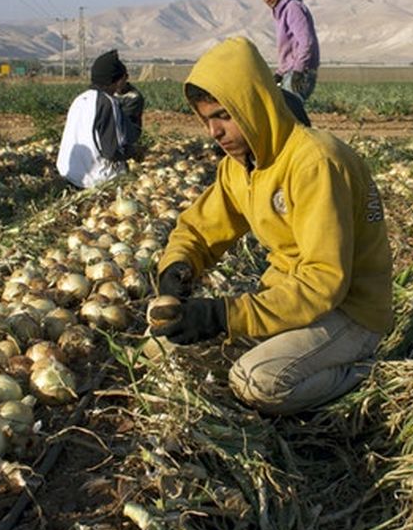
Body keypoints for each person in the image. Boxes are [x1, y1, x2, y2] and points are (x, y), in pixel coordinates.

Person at [153, 37, 392, 416]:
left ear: (253, 105)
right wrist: (179, 265)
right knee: (164, 351)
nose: (214, 131)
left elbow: (323, 282)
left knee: (256, 382)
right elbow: (199, 229)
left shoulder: (314, 162)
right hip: (293, 299)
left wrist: (224, 316)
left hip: (350, 311)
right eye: (207, 120)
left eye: (223, 115)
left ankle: (366, 372)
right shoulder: (241, 164)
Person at [56, 49, 145, 188]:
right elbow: (112, 151)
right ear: (118, 80)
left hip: (69, 174)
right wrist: (133, 152)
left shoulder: (80, 98)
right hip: (95, 179)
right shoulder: (108, 102)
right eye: (124, 78)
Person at [258, 0, 320, 101]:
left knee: (291, 115)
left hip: (300, 72)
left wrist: (298, 70)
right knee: (286, 116)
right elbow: (290, 46)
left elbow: (306, 42)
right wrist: (280, 73)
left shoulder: (293, 8)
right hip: (291, 72)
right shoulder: (282, 11)